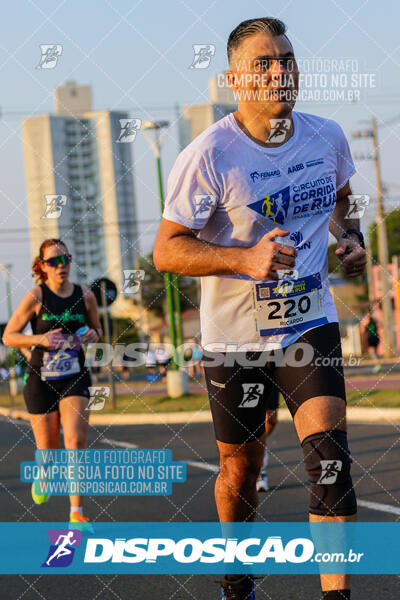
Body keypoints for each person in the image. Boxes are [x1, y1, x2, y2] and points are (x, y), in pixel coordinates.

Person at [154, 17, 367, 600]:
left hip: (309, 321)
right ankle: (237, 573)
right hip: (234, 340)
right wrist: (242, 260)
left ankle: (336, 594)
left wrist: (351, 239)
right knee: (240, 470)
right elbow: (166, 250)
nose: (279, 73)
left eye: (287, 60)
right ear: (234, 79)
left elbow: (344, 202)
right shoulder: (210, 154)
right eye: (263, 64)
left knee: (330, 457)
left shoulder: (327, 137)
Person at [3, 238, 102, 531]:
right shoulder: (36, 296)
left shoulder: (85, 296)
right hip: (41, 379)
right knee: (49, 450)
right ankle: (44, 472)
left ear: (70, 261)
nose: (60, 266)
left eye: (65, 260)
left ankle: (76, 513)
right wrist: (39, 339)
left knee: (75, 440)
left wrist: (94, 334)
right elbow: (9, 336)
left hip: (74, 375)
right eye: (53, 262)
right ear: (42, 266)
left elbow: (97, 328)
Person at [256, 385, 279, 492]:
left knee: (271, 420)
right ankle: (260, 471)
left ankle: (259, 445)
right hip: (247, 371)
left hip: (270, 373)